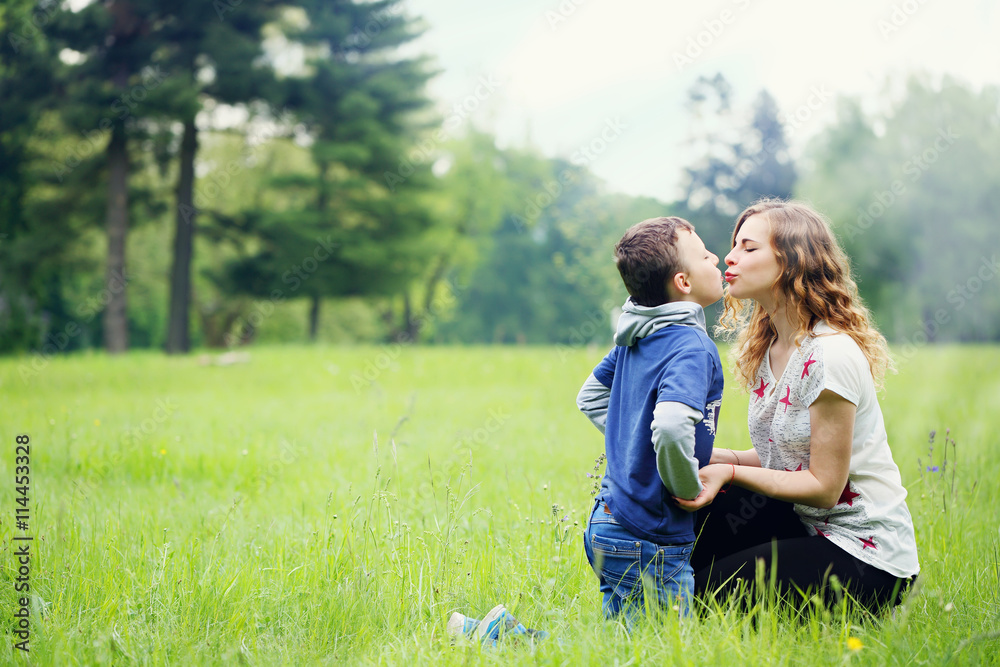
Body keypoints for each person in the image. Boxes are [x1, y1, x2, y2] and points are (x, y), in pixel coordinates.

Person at [675, 199, 919, 612]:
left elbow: (824, 487)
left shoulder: (829, 355)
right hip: (806, 526)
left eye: (749, 248)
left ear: (791, 262)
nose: (729, 258)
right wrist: (710, 458)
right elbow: (786, 455)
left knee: (697, 599)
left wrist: (730, 472)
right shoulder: (769, 346)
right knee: (685, 533)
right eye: (734, 245)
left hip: (865, 556)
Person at [577, 216, 726, 619]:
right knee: (665, 652)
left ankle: (497, 635)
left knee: (623, 650)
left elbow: (589, 396)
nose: (716, 257)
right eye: (704, 254)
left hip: (608, 519)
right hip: (650, 534)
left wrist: (635, 442)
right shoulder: (692, 346)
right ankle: (503, 639)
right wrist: (687, 484)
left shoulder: (637, 336)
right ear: (684, 282)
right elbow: (674, 427)